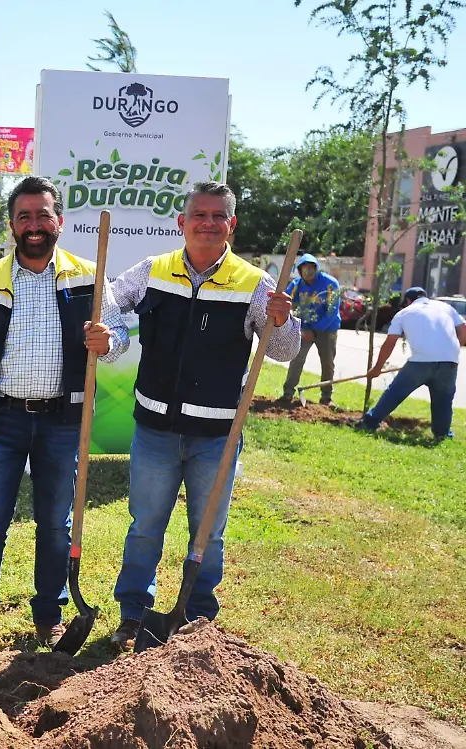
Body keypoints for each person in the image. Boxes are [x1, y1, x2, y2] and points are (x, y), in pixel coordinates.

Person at [0, 176, 130, 660]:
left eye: (44, 215)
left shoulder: (90, 275)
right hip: (1, 419)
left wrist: (107, 341)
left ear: (59, 221)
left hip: (62, 421)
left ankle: (48, 615)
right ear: (12, 225)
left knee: (54, 523)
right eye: (24, 216)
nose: (34, 225)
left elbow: (121, 338)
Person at [106, 181, 300, 652]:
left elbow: (283, 351)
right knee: (145, 525)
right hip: (155, 428)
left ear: (231, 225)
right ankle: (133, 613)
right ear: (182, 222)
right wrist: (113, 339)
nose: (208, 223)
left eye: (218, 216)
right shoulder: (154, 270)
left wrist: (283, 320)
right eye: (200, 214)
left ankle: (196, 618)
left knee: (208, 533)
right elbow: (110, 299)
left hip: (216, 434)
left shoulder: (253, 282)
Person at [358, 287, 466, 440]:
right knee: (443, 399)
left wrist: (376, 369)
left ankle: (370, 423)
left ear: (408, 301)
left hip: (420, 362)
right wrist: (450, 350)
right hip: (449, 361)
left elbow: (390, 343)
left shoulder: (404, 313)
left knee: (395, 392)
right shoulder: (445, 307)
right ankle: (442, 434)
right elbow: (464, 329)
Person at [281, 253, 341, 404]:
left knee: (327, 362)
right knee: (296, 359)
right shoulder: (296, 285)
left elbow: (332, 312)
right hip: (305, 329)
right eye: (304, 268)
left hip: (327, 329)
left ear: (316, 268)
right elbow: (286, 304)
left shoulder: (330, 284)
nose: (308, 272)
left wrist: (315, 330)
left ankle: (326, 397)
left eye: (311, 268)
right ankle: (288, 393)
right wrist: (302, 328)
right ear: (300, 270)